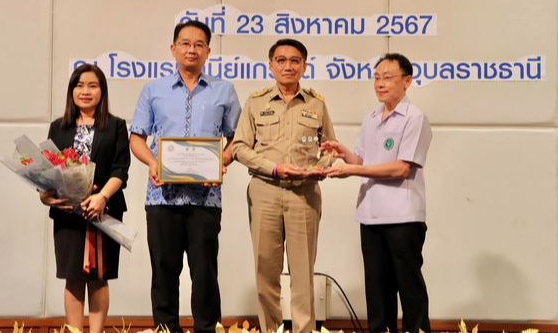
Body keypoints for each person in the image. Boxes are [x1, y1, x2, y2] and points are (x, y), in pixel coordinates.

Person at [129, 20, 241, 333]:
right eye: (185, 43)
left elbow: (240, 138)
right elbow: (137, 137)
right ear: (173, 48)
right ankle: (166, 329)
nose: (191, 49)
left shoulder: (224, 91)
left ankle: (207, 329)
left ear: (208, 51)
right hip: (161, 197)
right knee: (163, 270)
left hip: (206, 199)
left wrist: (220, 162)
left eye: (199, 44)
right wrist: (153, 163)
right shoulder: (154, 90)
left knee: (205, 273)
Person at [320, 53, 432, 333]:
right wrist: (344, 154)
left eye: (388, 78)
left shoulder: (415, 118)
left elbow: (401, 169)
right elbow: (362, 160)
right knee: (377, 287)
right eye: (377, 78)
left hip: (403, 216)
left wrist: (353, 171)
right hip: (370, 216)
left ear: (407, 81)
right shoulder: (371, 117)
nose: (380, 84)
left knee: (408, 284)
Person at [232, 39, 336, 333]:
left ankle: (303, 330)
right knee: (266, 273)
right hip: (264, 189)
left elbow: (330, 147)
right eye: (281, 60)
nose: (288, 66)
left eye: (294, 61)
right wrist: (274, 167)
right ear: (271, 65)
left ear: (304, 65)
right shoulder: (256, 102)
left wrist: (320, 167)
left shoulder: (317, 103)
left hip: (304, 193)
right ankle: (271, 329)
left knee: (303, 274)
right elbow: (239, 147)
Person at [39, 63, 131, 333]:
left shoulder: (115, 126)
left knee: (99, 277)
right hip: (67, 212)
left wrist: (102, 196)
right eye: (79, 85)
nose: (85, 91)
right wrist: (46, 197)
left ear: (102, 91)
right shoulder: (59, 127)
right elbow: (46, 170)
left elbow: (121, 169)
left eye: (92, 85)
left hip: (103, 209)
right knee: (73, 276)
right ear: (71, 91)